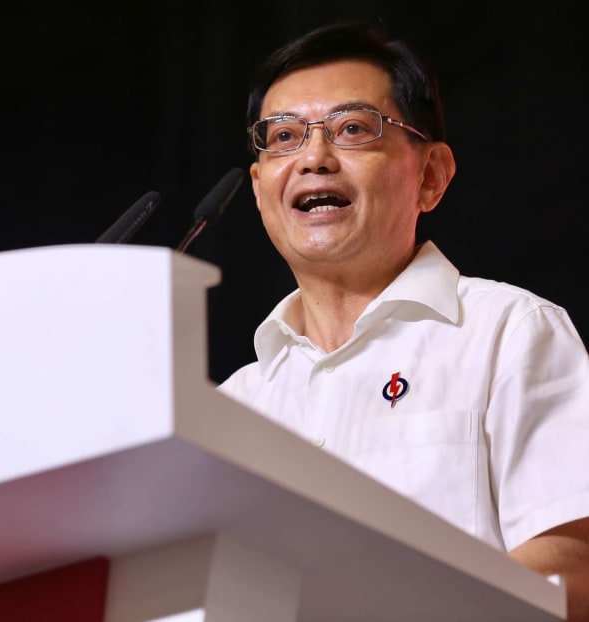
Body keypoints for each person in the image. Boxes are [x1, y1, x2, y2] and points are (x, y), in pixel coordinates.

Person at [217, 20, 589, 620]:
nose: (313, 157)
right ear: (261, 189)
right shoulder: (232, 408)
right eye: (283, 137)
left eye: (352, 129)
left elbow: (570, 568)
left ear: (431, 175)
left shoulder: (509, 333)